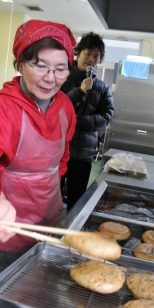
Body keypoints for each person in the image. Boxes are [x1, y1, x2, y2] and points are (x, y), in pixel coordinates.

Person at [0, 19, 77, 308]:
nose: (51, 78)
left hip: (46, 221)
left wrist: (54, 201)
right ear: (20, 62)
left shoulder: (65, 107)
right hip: (5, 225)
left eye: (60, 68)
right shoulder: (0, 110)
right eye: (40, 65)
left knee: (34, 301)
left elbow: (61, 160)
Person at [61, 32, 114, 211]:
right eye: (88, 53)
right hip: (57, 150)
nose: (91, 59)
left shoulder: (102, 87)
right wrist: (80, 91)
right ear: (78, 53)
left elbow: (106, 117)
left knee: (76, 201)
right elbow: (55, 108)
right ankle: (44, 236)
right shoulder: (62, 77)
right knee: (49, 199)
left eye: (96, 56)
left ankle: (69, 237)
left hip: (83, 154)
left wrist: (77, 120)